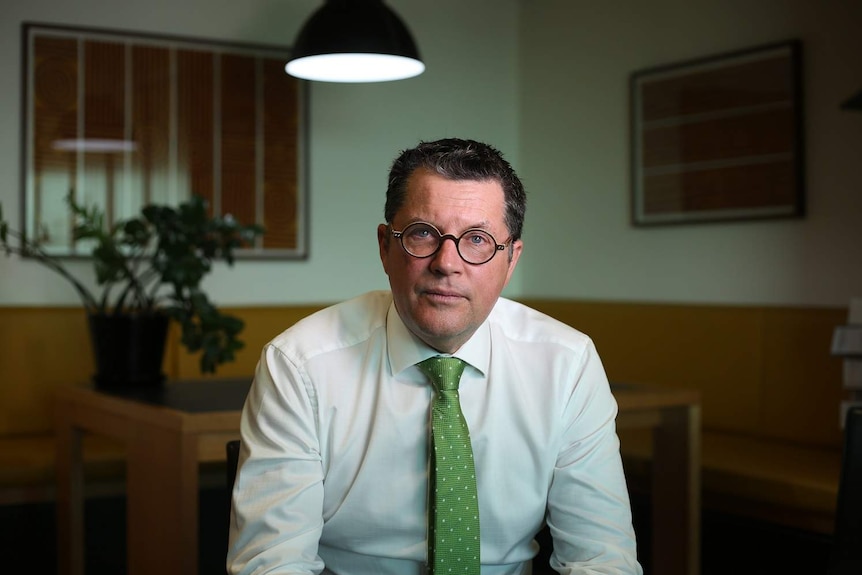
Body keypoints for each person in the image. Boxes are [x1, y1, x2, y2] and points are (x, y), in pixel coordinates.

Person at [227, 138, 642, 575]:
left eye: (477, 239)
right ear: (386, 246)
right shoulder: (299, 364)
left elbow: (601, 558)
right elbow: (272, 565)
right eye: (423, 233)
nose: (447, 263)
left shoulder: (567, 364)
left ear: (511, 260)